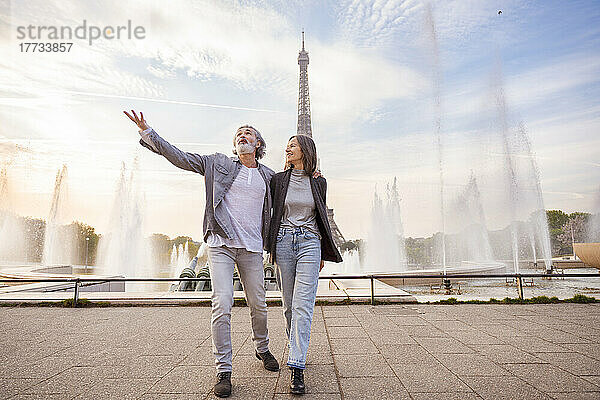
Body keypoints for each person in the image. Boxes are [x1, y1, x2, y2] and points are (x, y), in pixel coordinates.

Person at [123, 110, 279, 398]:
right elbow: (180, 156)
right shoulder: (217, 163)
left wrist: (314, 174)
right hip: (220, 243)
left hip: (253, 248)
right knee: (222, 303)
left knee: (259, 302)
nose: (242, 135)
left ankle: (262, 347)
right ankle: (224, 370)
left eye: (248, 133)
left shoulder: (270, 176)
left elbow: (296, 185)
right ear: (235, 145)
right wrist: (148, 132)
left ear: (258, 144)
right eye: (238, 134)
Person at [266, 134, 342, 395]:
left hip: (310, 241)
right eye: (286, 145)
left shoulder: (319, 182)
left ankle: (296, 365)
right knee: (289, 306)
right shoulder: (277, 180)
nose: (287, 147)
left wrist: (321, 250)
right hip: (284, 242)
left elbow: (321, 215)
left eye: (293, 145)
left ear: (305, 150)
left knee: (303, 305)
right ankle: (296, 345)